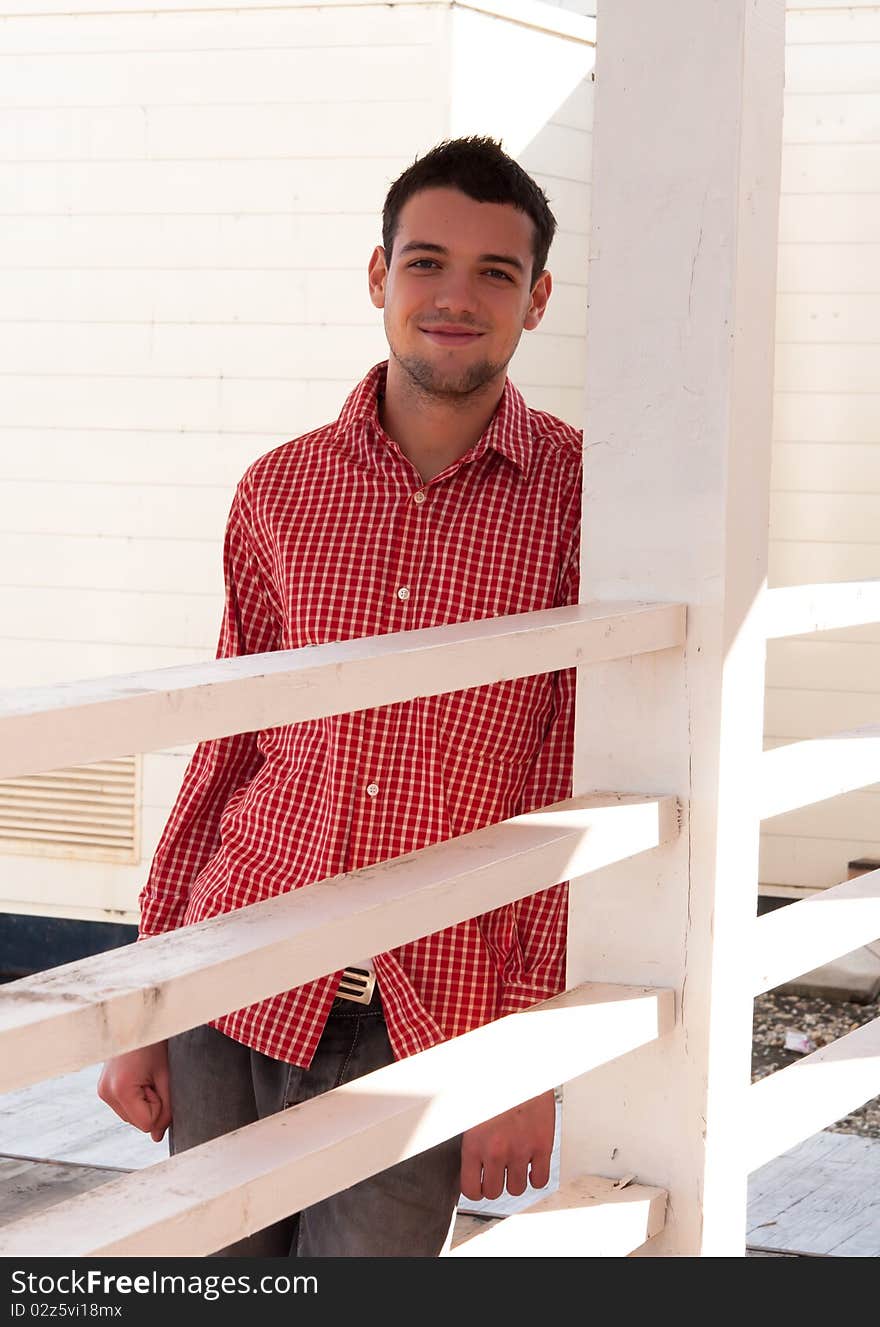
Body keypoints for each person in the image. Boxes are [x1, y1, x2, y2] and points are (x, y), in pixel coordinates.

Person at [98, 136, 582, 1258]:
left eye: (494, 273)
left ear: (537, 298)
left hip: (433, 1006)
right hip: (237, 974)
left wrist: (523, 1053)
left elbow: (572, 772)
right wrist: (146, 1000)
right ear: (379, 277)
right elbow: (225, 747)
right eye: (425, 263)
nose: (455, 298)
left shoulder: (581, 496)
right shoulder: (279, 488)